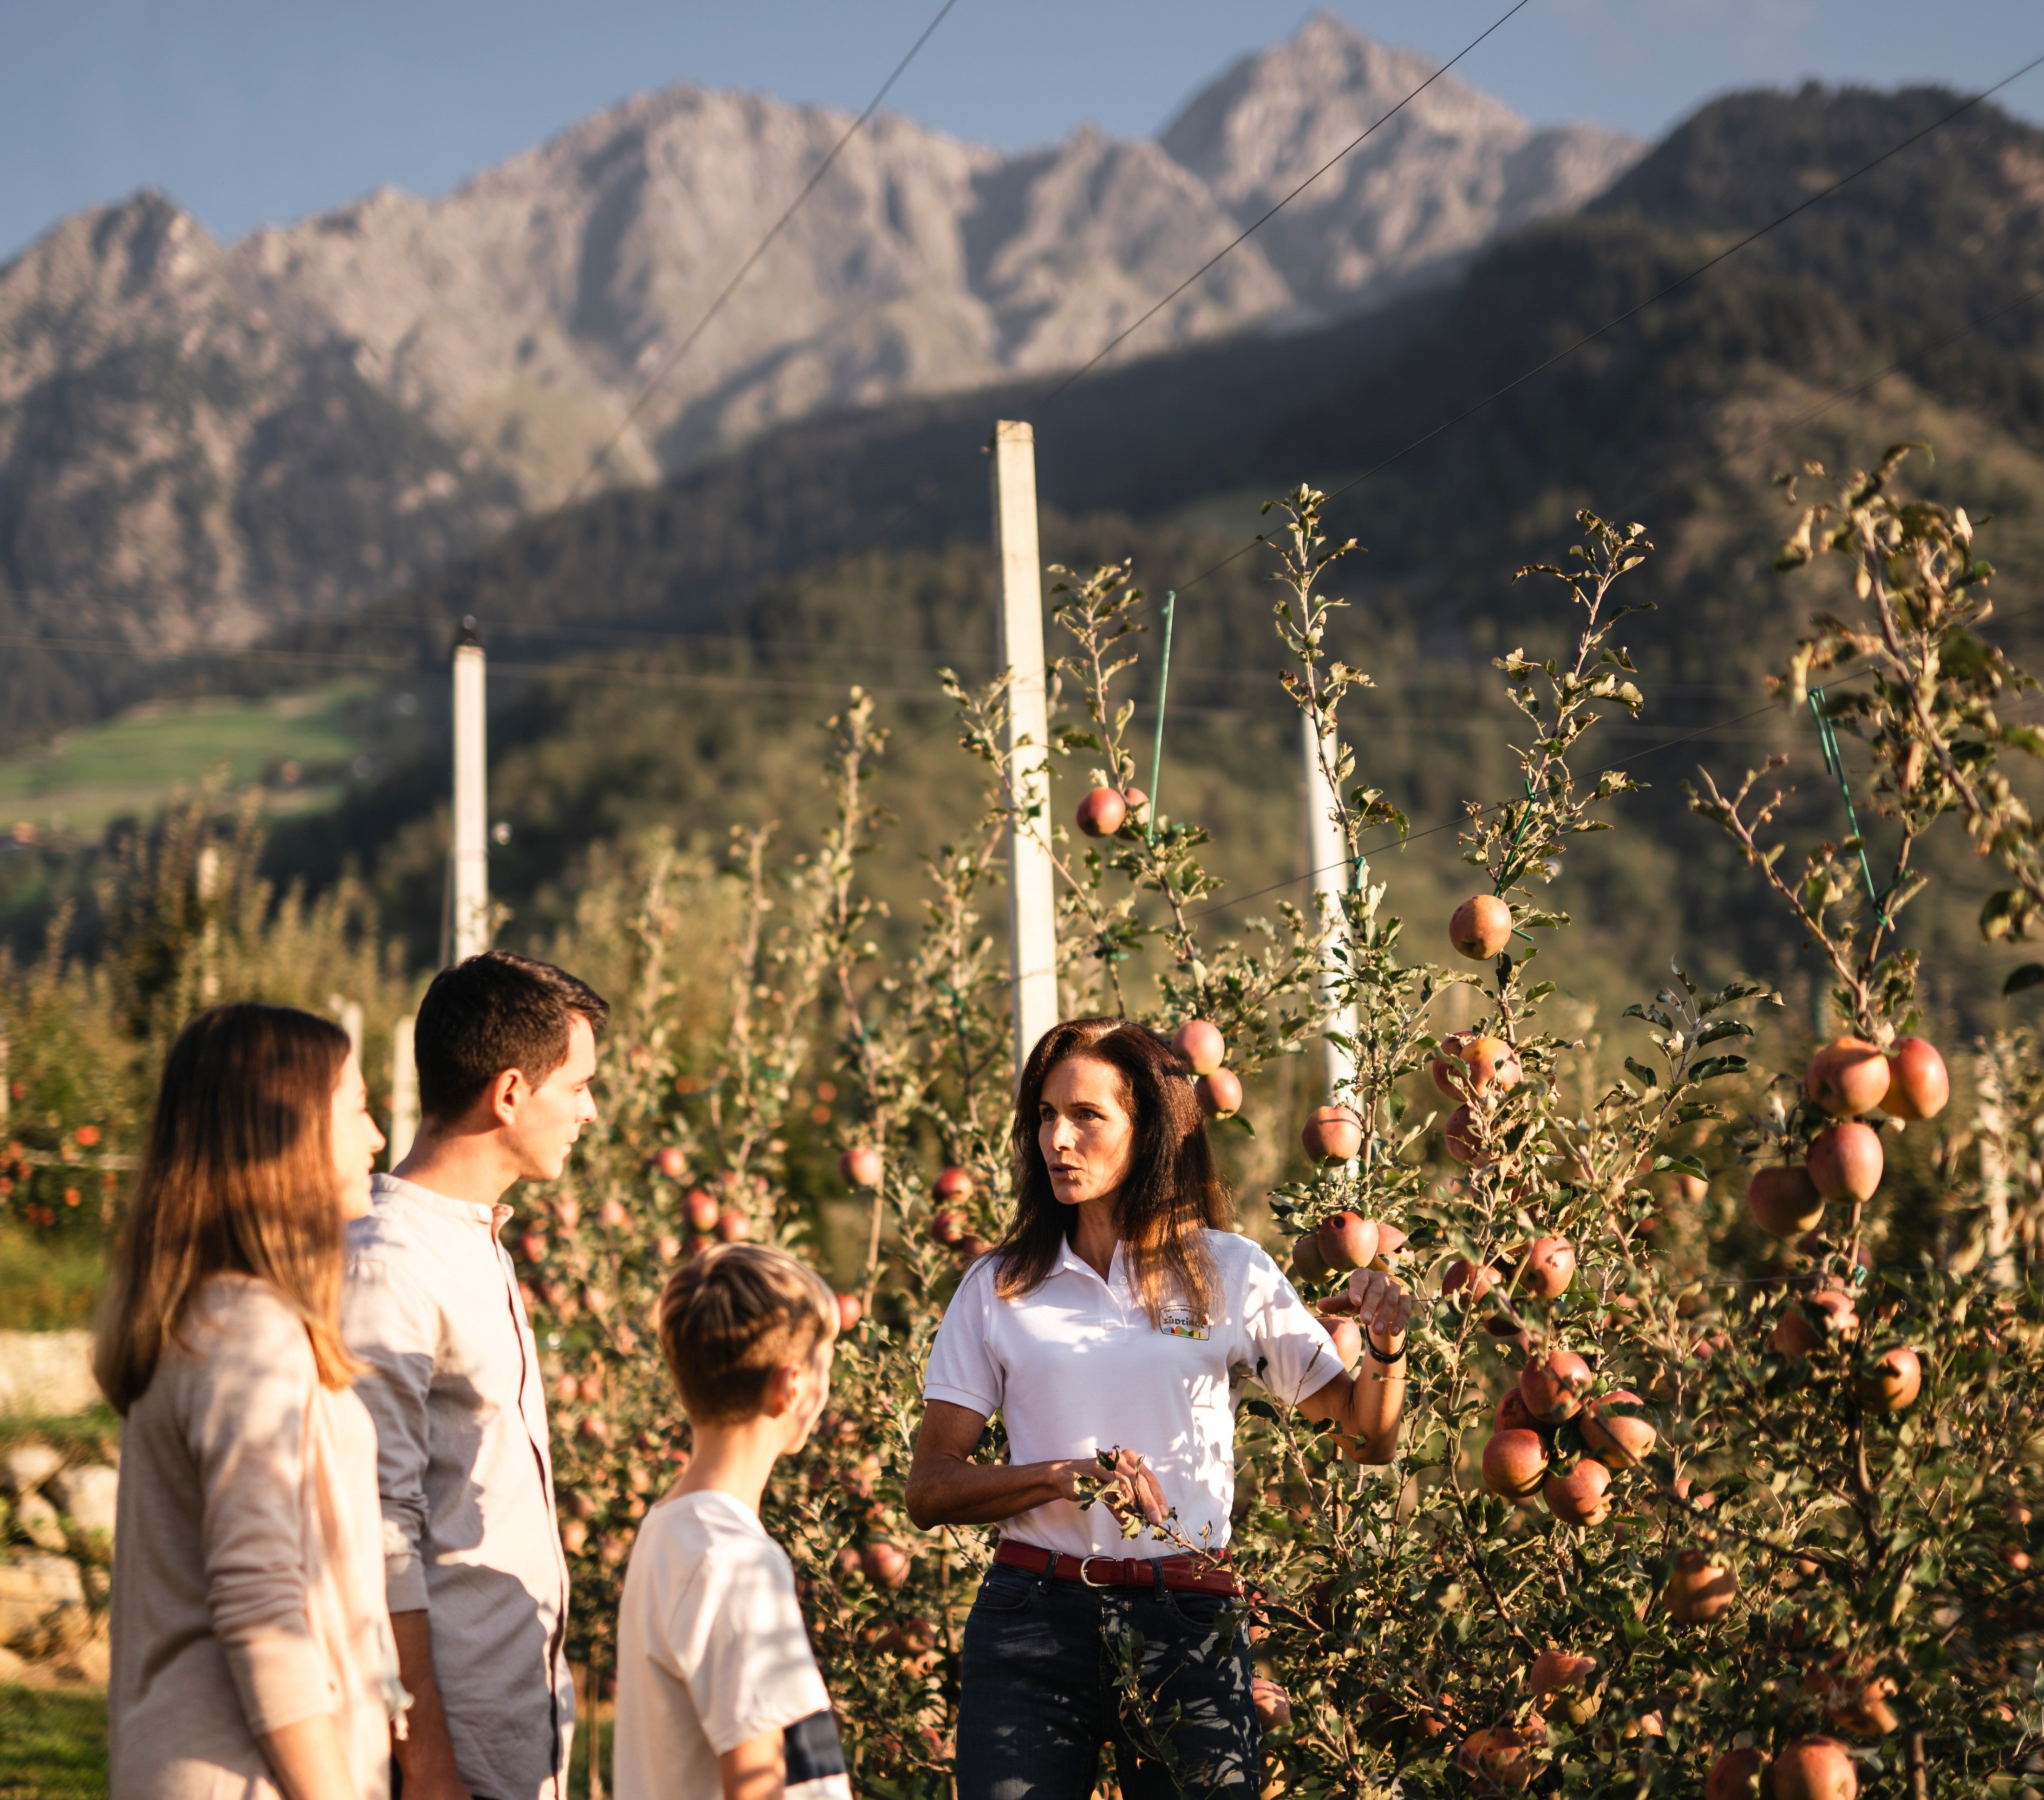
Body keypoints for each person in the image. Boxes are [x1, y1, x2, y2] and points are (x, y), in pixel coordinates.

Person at [906, 1017, 1413, 1800]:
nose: (1058, 1140)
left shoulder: (1230, 1272)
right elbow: (930, 1489)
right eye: (1045, 1115)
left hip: (1186, 1617)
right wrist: (1060, 1478)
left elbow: (1366, 1438)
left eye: (1086, 1116)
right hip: (1033, 1615)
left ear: (1149, 1131)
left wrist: (1385, 1344)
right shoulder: (999, 1285)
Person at [98, 1003, 404, 1800]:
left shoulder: (211, 1317)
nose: (377, 1139)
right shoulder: (246, 1331)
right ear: (287, 1134)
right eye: (359, 1109)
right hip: (250, 1775)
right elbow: (260, 1602)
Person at [342, 952, 608, 1800]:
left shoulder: (471, 1245)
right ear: (508, 1094)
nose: (590, 1111)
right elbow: (379, 1531)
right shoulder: (392, 1268)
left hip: (512, 1733)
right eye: (577, 1087)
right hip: (450, 1755)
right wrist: (426, 1763)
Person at [613, 1244, 852, 1800]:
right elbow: (758, 1785)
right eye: (826, 1364)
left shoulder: (669, 1533)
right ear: (792, 1387)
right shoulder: (734, 1561)